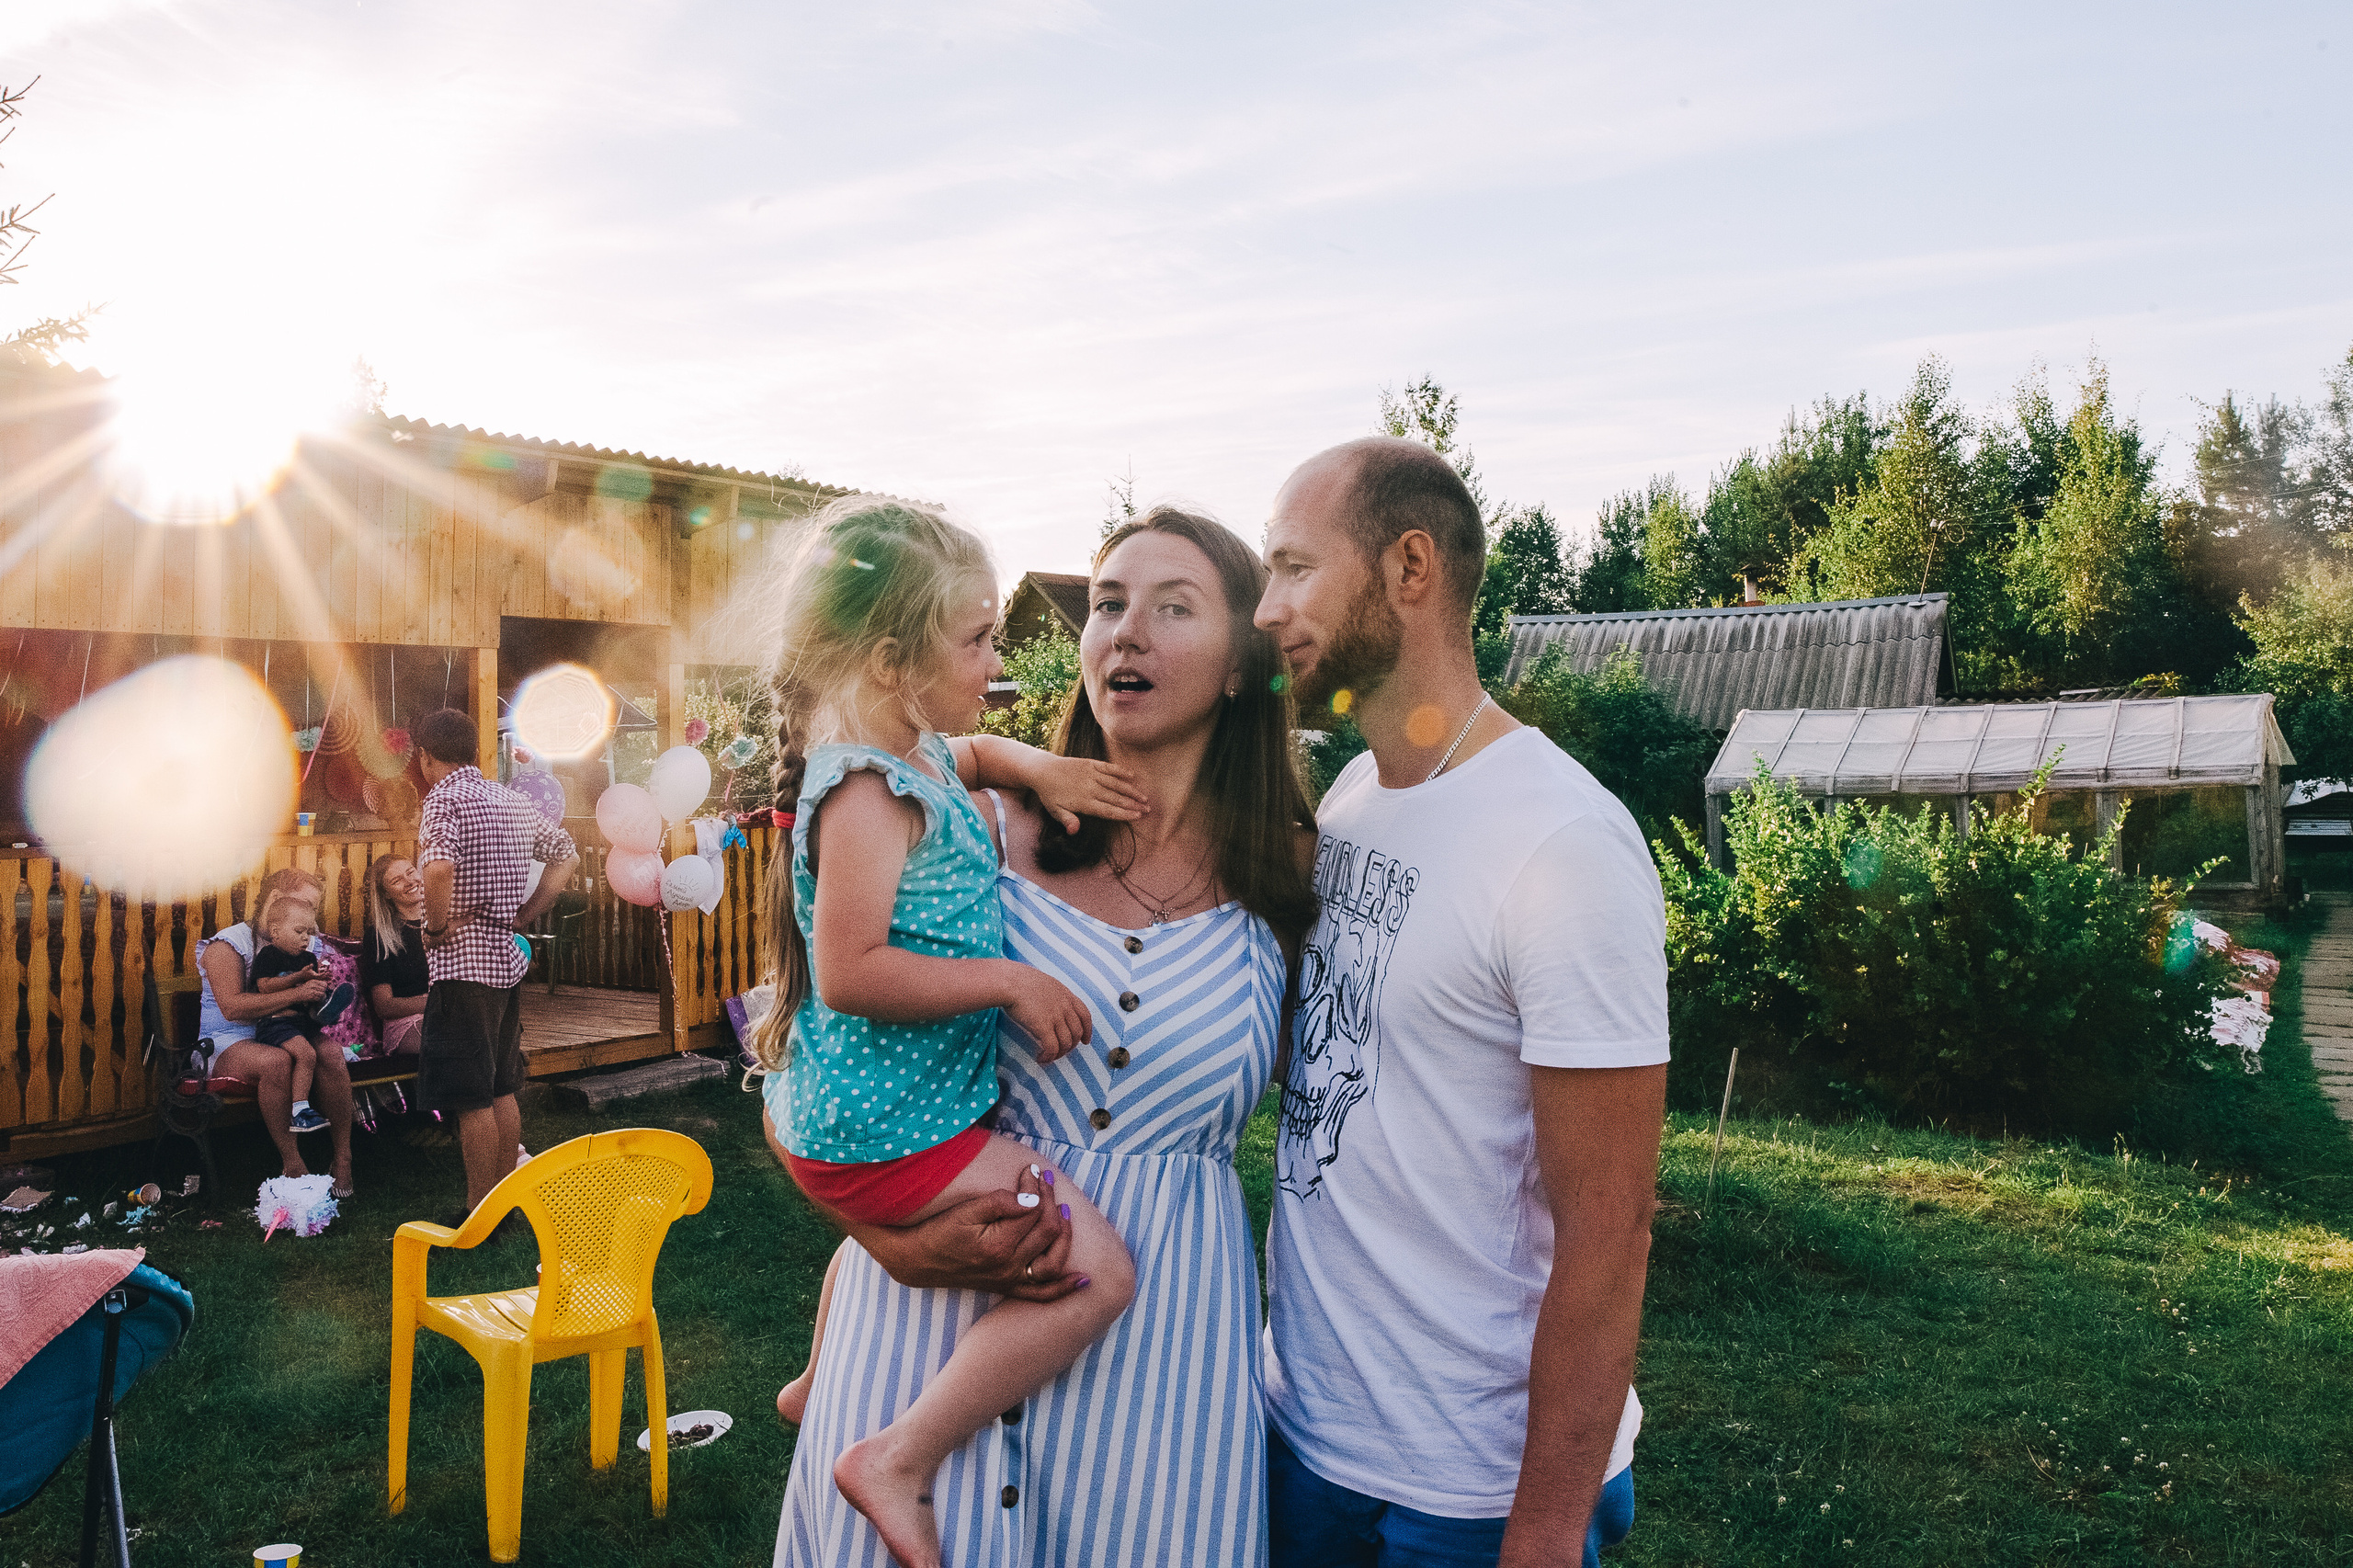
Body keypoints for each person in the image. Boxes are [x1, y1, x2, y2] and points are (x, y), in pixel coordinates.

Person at [769, 504, 1318, 1568]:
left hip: (1160, 1356)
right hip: (924, 1332)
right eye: (1108, 602)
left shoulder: (1296, 871)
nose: (1125, 630)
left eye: (1173, 606)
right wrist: (891, 1241)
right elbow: (819, 1048)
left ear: (1244, 663)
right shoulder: (959, 821)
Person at [1253, 437, 1668, 1568]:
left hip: (1468, 1490)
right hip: (1305, 1438)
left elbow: (1612, 1225)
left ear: (1410, 567)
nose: (1263, 608)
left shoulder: (1561, 841)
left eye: (1292, 566)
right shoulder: (1349, 795)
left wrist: (1538, 1534)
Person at [745, 494, 1163, 1568]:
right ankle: (899, 1455)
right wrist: (1010, 981)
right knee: (1101, 1274)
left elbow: (965, 752)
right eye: (976, 637)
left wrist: (1034, 765)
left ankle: (813, 1375)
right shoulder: (867, 794)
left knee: (871, 1246)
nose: (997, 655)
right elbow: (850, 969)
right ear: (893, 659)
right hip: (889, 1129)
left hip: (836, 1117)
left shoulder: (908, 747)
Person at [412, 706, 581, 1225]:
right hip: (504, 965)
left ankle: (478, 1213)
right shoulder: (510, 799)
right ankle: (506, 1201)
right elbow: (566, 854)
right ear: (475, 752)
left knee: (470, 1097)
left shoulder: (444, 798)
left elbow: (438, 866)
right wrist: (526, 913)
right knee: (502, 1086)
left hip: (463, 968)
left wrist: (436, 926)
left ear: (425, 757)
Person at [193, 867, 358, 1195]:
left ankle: (343, 1157)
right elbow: (233, 1008)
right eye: (303, 903)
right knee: (276, 1062)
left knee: (330, 1053)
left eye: (314, 907)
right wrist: (296, 993)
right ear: (274, 899)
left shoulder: (300, 944)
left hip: (284, 1027)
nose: (309, 918)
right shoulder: (228, 944)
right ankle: (293, 1164)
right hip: (228, 1039)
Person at [244, 888, 358, 1132]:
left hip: (300, 1021)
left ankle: (326, 1008)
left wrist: (318, 980)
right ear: (275, 931)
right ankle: (300, 1111)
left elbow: (304, 990)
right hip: (275, 1024)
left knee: (319, 1001)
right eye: (298, 931)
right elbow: (264, 987)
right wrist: (300, 977)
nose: (305, 938)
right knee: (307, 1055)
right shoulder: (269, 955)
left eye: (308, 932)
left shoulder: (307, 958)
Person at [360, 854, 430, 1056]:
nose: (409, 882)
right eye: (397, 881)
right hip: (407, 1023)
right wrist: (433, 1003)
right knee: (443, 1048)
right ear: (387, 894)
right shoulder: (379, 935)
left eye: (410, 872)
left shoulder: (441, 922)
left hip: (449, 1015)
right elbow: (384, 1006)